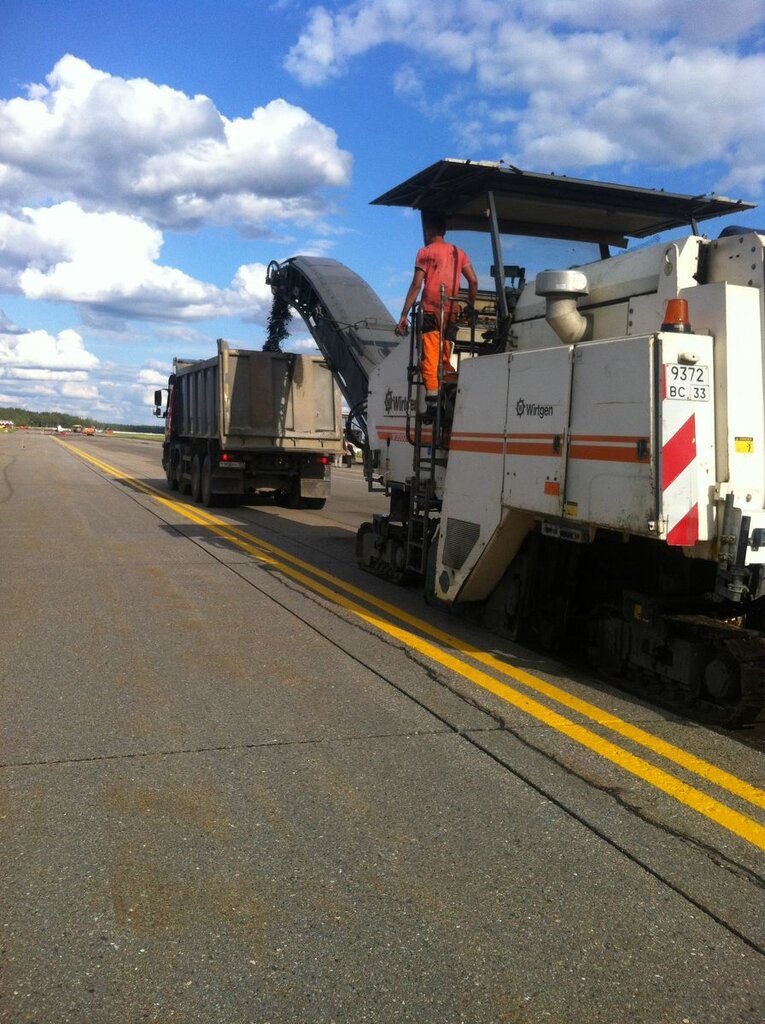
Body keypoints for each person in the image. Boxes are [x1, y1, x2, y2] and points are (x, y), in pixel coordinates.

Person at [395, 211, 478, 420]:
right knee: (444, 357)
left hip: (431, 310)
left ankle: (433, 406)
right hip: (452, 311)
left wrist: (403, 315)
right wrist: (469, 304)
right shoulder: (460, 253)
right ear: (444, 231)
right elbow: (474, 281)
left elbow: (416, 284)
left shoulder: (425, 252)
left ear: (429, 230)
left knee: (429, 358)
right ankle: (450, 396)